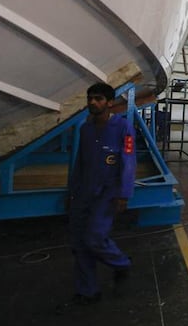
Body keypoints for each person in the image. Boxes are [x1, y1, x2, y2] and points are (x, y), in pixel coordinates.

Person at [58, 83, 136, 311]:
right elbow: (79, 163)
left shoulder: (123, 128)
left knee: (94, 237)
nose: (93, 102)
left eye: (99, 99)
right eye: (90, 98)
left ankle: (121, 263)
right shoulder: (85, 128)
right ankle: (88, 291)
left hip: (107, 193)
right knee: (79, 242)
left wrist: (124, 194)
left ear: (110, 102)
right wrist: (71, 192)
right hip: (83, 192)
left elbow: (128, 162)